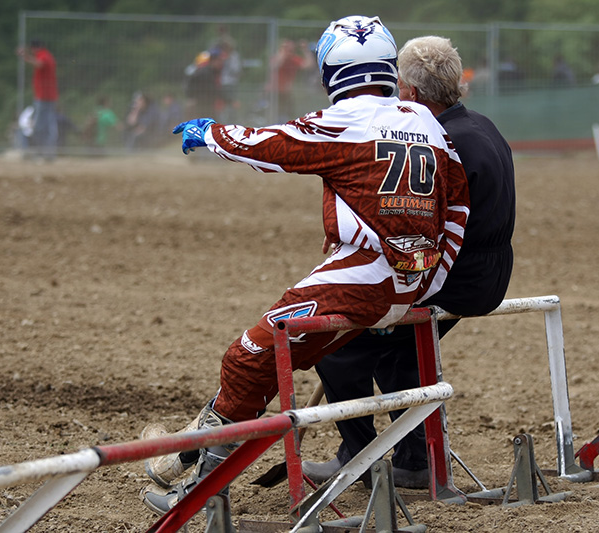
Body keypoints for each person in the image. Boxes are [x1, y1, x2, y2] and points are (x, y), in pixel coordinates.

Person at [139, 16, 470, 515]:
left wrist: (211, 134)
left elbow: (272, 146)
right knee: (275, 361)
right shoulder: (427, 124)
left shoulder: (349, 120)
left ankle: (202, 487)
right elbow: (458, 205)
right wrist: (432, 277)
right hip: (414, 279)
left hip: (364, 275)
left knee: (250, 352)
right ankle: (192, 462)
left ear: (330, 71)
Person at [303, 35, 516, 489]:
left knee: (339, 345)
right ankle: (414, 461)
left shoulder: (440, 140)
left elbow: (417, 227)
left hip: (453, 278)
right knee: (397, 353)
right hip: (490, 273)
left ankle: (356, 456)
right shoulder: (482, 126)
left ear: (412, 94)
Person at [16, 39, 58, 161]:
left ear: (35, 48)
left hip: (44, 97)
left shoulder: (44, 55)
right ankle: (48, 154)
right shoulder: (46, 55)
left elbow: (38, 64)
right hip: (47, 97)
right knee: (47, 126)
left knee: (40, 126)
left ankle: (41, 152)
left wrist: (25, 56)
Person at [268, 39, 313, 122]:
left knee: (288, 114)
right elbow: (275, 65)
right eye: (287, 49)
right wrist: (282, 51)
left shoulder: (293, 59)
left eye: (291, 50)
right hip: (274, 91)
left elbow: (308, 65)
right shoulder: (279, 57)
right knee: (273, 114)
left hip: (286, 92)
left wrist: (305, 50)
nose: (290, 52)